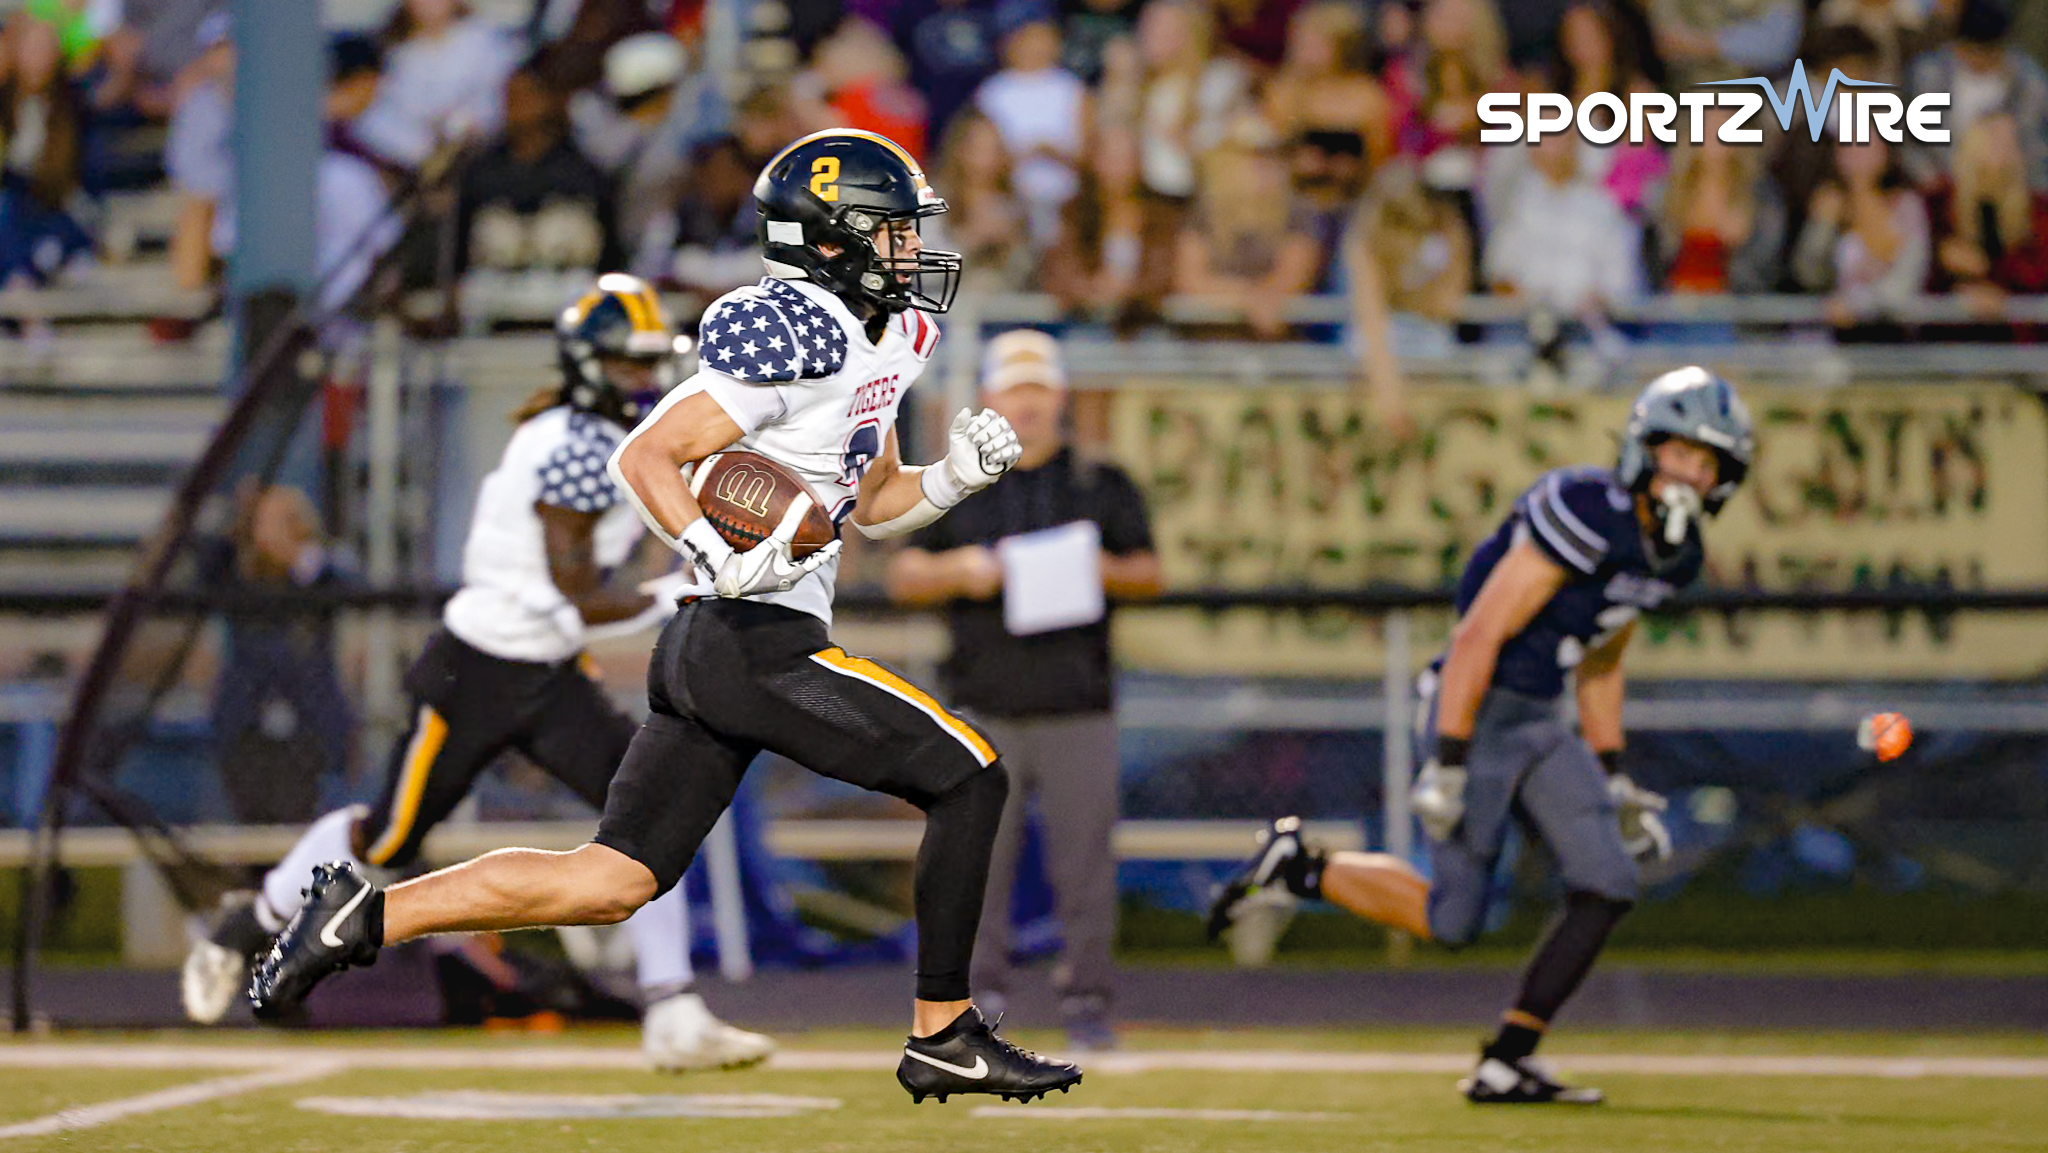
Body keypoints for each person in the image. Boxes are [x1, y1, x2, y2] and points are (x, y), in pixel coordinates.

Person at [248, 129, 1085, 1105]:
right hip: (750, 640)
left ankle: (360, 915)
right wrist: (714, 547)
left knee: (608, 881)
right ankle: (943, 1032)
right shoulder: (797, 327)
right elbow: (645, 453)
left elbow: (875, 500)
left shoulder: (889, 335)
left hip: (722, 646)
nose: (911, 248)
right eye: (893, 229)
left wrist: (952, 480)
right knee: (969, 774)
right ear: (830, 239)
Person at [184, 274, 774, 1072]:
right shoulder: (572, 445)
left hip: (550, 667)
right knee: (387, 836)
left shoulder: (602, 434)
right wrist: (684, 585)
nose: (646, 377)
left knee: (649, 818)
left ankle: (673, 1009)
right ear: (592, 365)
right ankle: (247, 921)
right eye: (631, 363)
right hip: (481, 669)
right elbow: (577, 592)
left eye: (650, 361)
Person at [1206, 367, 1757, 1105]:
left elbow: (1602, 659)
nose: (1690, 474)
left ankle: (1506, 1060)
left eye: (1708, 463)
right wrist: (1450, 757)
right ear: (1646, 447)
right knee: (1454, 919)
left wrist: (1613, 772)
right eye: (1681, 452)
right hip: (1479, 714)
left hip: (1540, 719)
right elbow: (1479, 633)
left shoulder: (1675, 555)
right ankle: (1300, 866)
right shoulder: (1586, 507)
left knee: (1608, 881)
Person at [886, 330, 1160, 1052]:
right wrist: (961, 570)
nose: (1028, 404)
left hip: (1077, 703)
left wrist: (1090, 569)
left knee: (1085, 867)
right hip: (981, 706)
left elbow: (1149, 571)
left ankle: (1089, 1001)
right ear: (989, 397)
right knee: (973, 866)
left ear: (1060, 396)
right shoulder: (957, 481)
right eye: (1015, 389)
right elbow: (904, 572)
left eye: (1038, 388)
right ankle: (970, 1005)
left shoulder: (1100, 482)